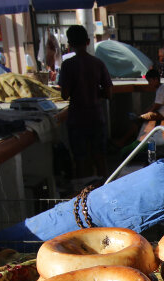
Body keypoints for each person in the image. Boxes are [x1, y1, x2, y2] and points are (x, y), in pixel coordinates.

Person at [58, 24, 113, 182]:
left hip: (76, 118)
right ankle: (105, 188)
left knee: (80, 158)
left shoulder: (68, 65)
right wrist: (94, 91)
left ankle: (83, 195)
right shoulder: (98, 63)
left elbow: (64, 95)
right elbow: (109, 93)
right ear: (88, 42)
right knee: (100, 156)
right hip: (96, 116)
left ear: (70, 44)